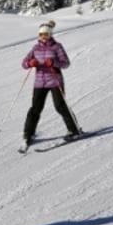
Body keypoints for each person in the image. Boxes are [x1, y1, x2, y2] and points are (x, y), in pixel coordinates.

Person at [20, 21, 82, 151]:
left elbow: (66, 63)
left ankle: (74, 130)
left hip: (55, 81)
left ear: (50, 34)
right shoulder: (35, 48)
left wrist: (54, 62)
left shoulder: (57, 47)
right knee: (35, 109)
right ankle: (28, 133)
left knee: (60, 106)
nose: (43, 36)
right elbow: (24, 63)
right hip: (39, 83)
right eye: (41, 34)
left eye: (46, 34)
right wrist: (30, 63)